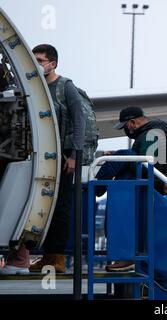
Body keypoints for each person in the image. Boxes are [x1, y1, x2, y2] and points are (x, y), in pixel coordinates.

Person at [0, 44, 85, 274]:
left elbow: (80, 122)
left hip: (63, 157)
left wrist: (75, 156)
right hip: (38, 158)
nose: (37, 63)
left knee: (60, 207)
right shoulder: (31, 88)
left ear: (52, 63)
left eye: (40, 59)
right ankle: (26, 257)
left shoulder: (65, 87)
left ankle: (55, 258)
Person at [96, 106, 167, 271]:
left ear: (132, 123)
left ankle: (97, 188)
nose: (125, 131)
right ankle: (98, 187)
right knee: (122, 157)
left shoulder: (149, 136)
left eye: (124, 127)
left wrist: (118, 157)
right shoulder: (154, 132)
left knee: (123, 157)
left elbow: (146, 165)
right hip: (162, 183)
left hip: (160, 184)